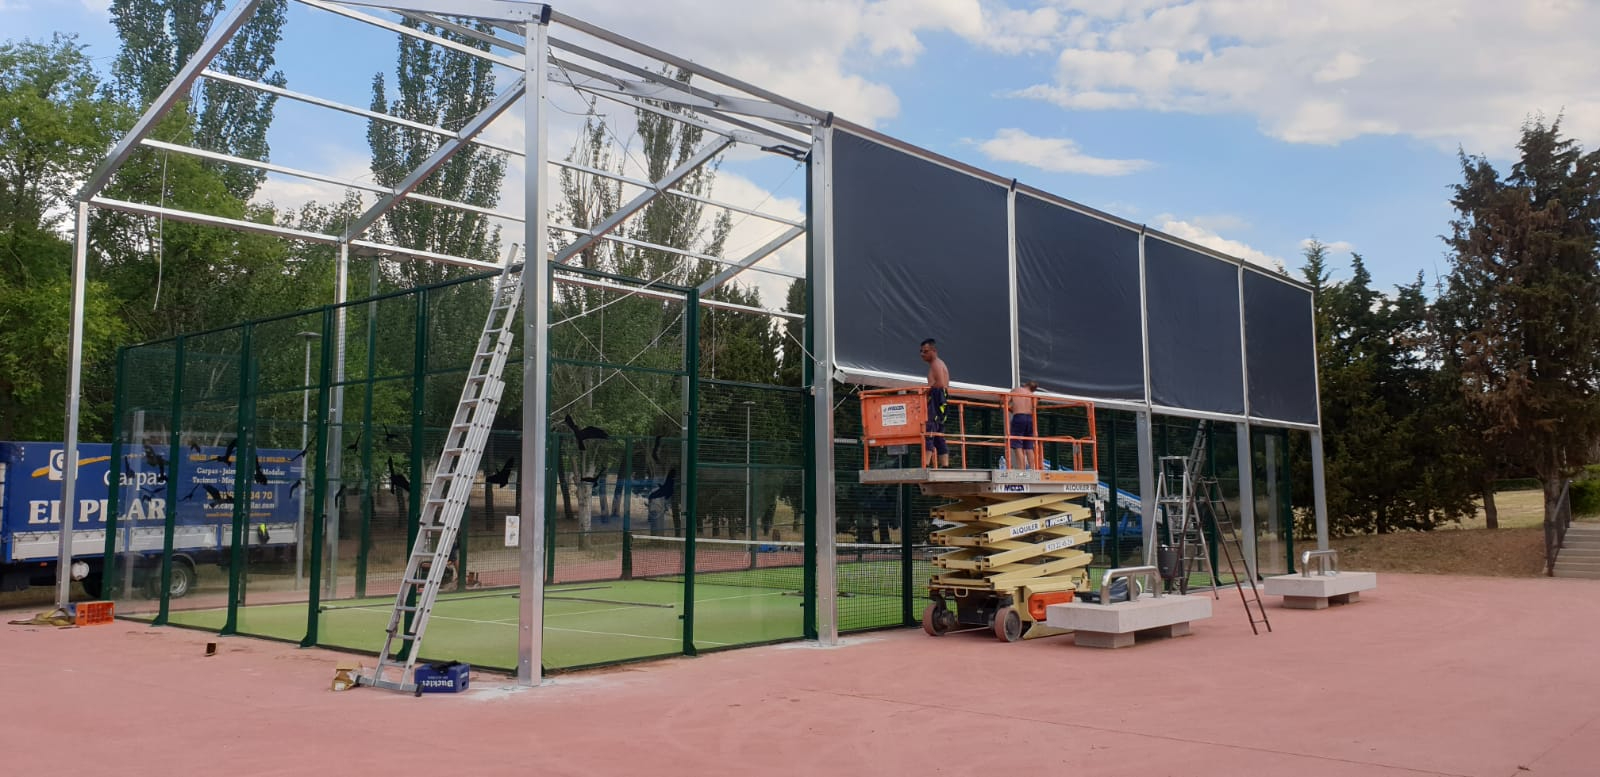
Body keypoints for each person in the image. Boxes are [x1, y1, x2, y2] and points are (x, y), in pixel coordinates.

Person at [919, 338, 951, 468]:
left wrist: (927, 392)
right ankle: (945, 465)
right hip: (940, 398)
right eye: (921, 352)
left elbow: (941, 383)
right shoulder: (938, 363)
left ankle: (925, 464)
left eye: (925, 351)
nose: (922, 354)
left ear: (934, 350)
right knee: (938, 434)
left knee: (930, 430)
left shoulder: (936, 364)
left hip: (937, 398)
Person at [1007, 380, 1039, 470]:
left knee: (1017, 445)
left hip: (1019, 417)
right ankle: (1033, 469)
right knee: (1029, 446)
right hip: (1030, 419)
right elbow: (1033, 409)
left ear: (1025, 384)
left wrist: (1010, 408)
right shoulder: (1033, 396)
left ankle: (1022, 470)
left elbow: (1005, 401)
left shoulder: (1016, 390)